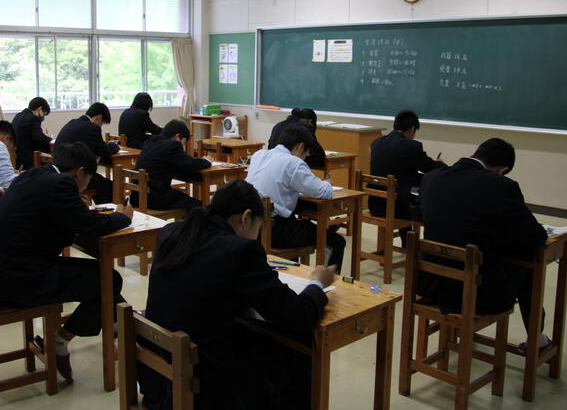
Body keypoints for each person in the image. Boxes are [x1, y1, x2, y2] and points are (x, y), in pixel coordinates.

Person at [140, 180, 335, 410]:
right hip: (202, 388)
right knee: (296, 348)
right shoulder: (240, 251)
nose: (256, 237)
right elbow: (299, 314)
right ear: (246, 217)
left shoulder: (172, 232)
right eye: (258, 229)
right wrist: (317, 283)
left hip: (157, 377)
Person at [0, 142, 134, 382]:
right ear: (80, 172)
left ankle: (123, 324)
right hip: (20, 282)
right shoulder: (60, 185)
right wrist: (122, 217)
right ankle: (60, 341)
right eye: (88, 180)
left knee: (101, 277)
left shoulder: (37, 174)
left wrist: (77, 209)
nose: (86, 187)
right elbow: (91, 225)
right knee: (108, 279)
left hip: (0, 275)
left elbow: (56, 218)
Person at [418, 138, 550, 351]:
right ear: (502, 170)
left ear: (474, 154)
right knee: (529, 259)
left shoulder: (431, 178)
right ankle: (536, 336)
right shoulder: (501, 186)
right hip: (477, 294)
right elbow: (536, 236)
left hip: (430, 285)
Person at [246, 124, 346, 271]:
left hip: (251, 227)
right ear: (300, 146)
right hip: (275, 232)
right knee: (336, 241)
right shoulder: (293, 162)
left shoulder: (259, 155)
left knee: (302, 224)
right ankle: (325, 281)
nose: (306, 158)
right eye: (307, 153)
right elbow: (322, 192)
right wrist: (327, 183)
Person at [368, 110, 444, 246]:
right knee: (424, 205)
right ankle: (417, 248)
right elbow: (428, 167)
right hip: (397, 208)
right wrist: (441, 165)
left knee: (404, 194)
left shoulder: (376, 142)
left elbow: (401, 170)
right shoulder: (412, 146)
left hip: (375, 205)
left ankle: (407, 245)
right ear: (413, 129)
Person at [134, 119, 211, 211]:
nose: (183, 146)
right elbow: (190, 163)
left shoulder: (151, 141)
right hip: (154, 198)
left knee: (181, 198)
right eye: (183, 142)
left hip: (137, 197)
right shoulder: (172, 145)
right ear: (178, 136)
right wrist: (206, 161)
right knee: (199, 206)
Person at [55, 102, 117, 203]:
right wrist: (113, 146)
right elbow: (103, 150)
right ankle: (108, 210)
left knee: (99, 183)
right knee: (110, 186)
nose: (101, 126)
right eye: (102, 123)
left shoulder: (72, 122)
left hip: (59, 170)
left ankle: (100, 208)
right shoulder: (91, 127)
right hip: (74, 174)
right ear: (98, 118)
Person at [11, 97, 52, 171]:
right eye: (44, 114)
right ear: (39, 109)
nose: (43, 117)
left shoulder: (18, 116)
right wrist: (51, 139)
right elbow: (39, 139)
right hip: (28, 160)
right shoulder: (33, 118)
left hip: (17, 158)